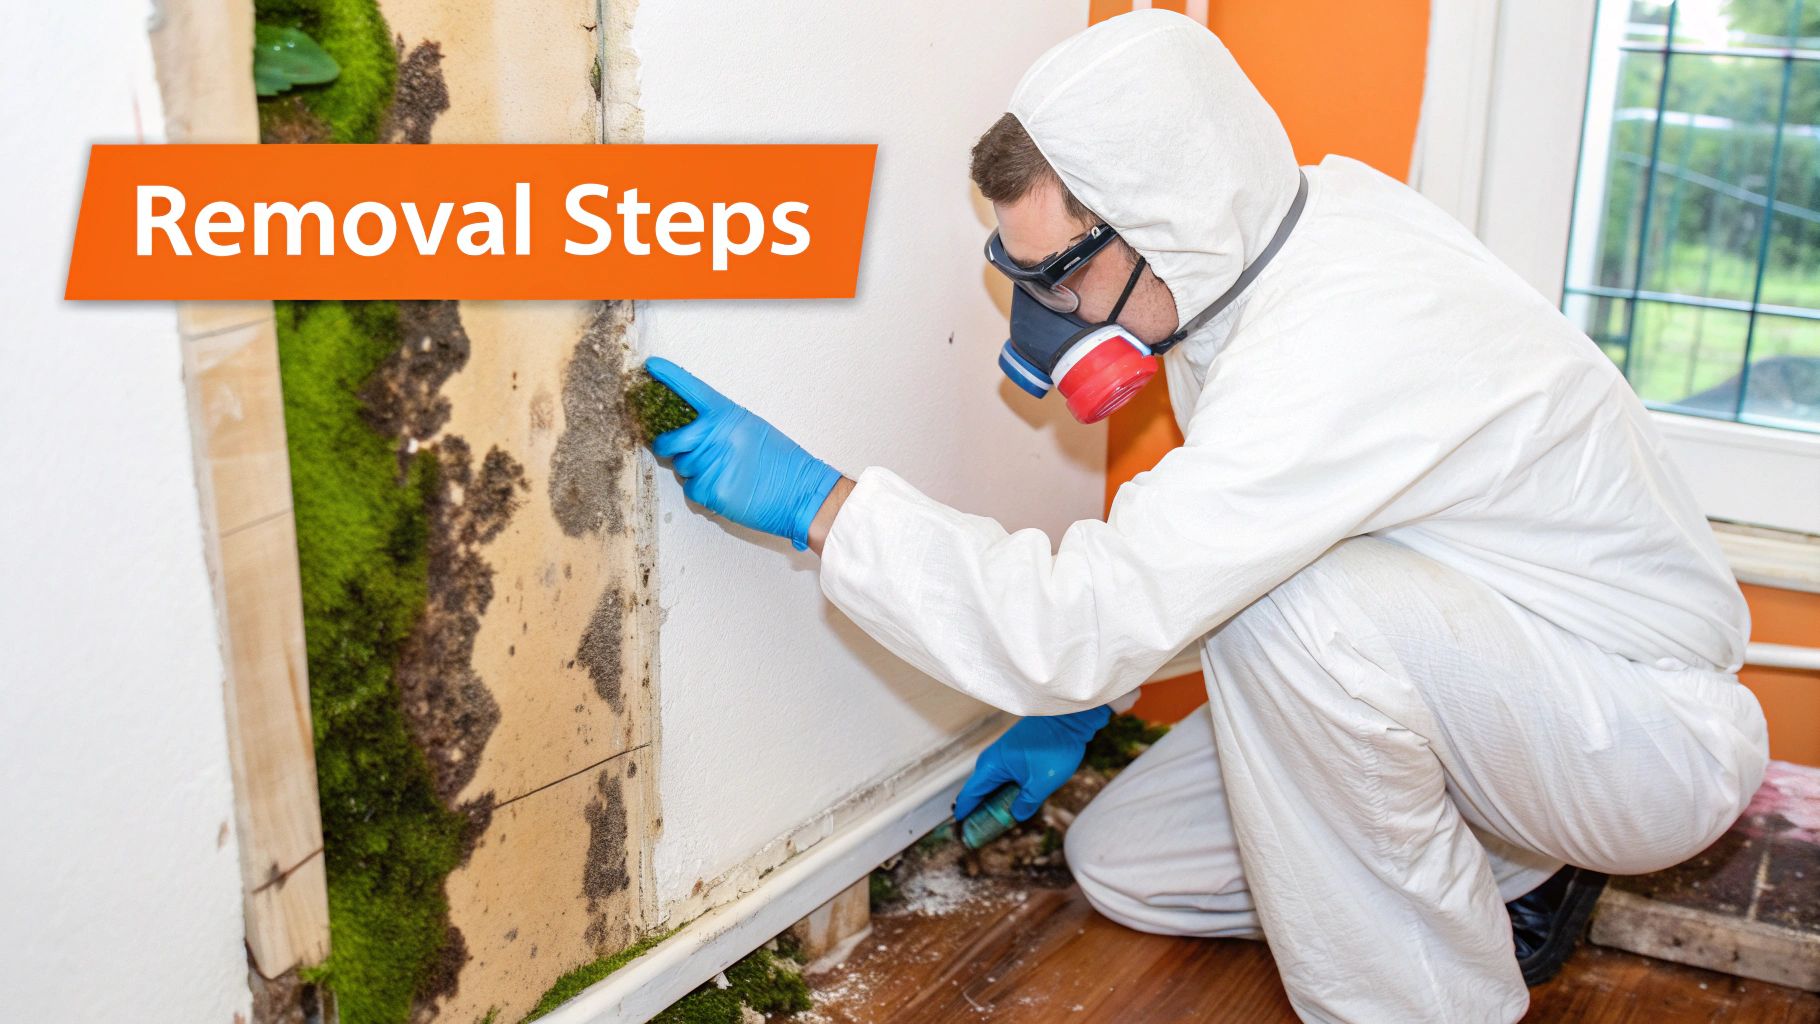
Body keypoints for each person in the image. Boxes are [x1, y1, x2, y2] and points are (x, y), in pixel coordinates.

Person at [642, 11, 1768, 1023]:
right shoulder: (1251, 259)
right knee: (1125, 860)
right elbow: (1225, 542)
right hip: (1480, 679)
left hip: (1627, 727)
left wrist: (824, 508)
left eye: (1061, 277)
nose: (1048, 314)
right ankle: (1509, 864)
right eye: (1024, 278)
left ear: (1163, 220)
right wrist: (1094, 704)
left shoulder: (1329, 344)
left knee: (1301, 610)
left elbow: (1115, 605)